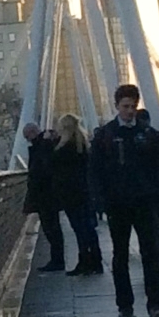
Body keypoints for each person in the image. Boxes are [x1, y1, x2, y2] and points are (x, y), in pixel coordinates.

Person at [88, 83, 159, 317]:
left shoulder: (148, 134)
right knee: (120, 254)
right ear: (117, 106)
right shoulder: (105, 136)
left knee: (150, 254)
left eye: (133, 107)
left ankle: (155, 304)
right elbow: (94, 171)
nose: (130, 111)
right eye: (125, 107)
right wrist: (99, 200)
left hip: (144, 202)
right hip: (118, 204)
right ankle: (125, 306)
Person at [50, 114, 101, 276]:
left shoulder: (64, 148)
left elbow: (52, 165)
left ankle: (85, 260)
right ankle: (95, 260)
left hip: (70, 194)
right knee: (88, 228)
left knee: (79, 228)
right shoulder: (83, 146)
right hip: (85, 192)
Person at [21, 122, 67, 272]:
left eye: (28, 137)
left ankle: (57, 260)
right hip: (48, 195)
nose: (28, 140)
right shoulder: (45, 143)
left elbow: (43, 169)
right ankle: (57, 259)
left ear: (33, 132)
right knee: (53, 228)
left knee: (51, 228)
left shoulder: (43, 145)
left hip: (46, 196)